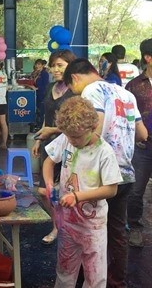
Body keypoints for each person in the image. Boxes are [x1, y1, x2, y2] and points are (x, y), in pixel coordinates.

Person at [62, 58, 148, 287]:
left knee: (85, 229)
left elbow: (93, 131)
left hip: (98, 174)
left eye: (72, 89)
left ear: (75, 78)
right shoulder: (126, 94)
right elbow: (142, 134)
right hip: (125, 174)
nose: (75, 94)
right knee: (117, 233)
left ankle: (84, 280)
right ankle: (116, 282)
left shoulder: (90, 90)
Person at [43, 96, 123, 288]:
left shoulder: (104, 152)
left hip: (92, 225)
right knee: (64, 270)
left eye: (77, 137)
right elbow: (48, 162)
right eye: (69, 136)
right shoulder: (67, 138)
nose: (73, 141)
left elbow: (111, 189)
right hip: (68, 221)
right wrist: (48, 184)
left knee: (94, 275)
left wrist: (78, 196)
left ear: (92, 127)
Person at [32, 49, 76, 245]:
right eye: (53, 65)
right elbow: (46, 118)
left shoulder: (75, 90)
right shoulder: (50, 88)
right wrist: (39, 139)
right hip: (49, 145)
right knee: (44, 191)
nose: (55, 69)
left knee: (66, 190)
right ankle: (58, 224)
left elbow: (76, 124)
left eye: (60, 65)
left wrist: (53, 130)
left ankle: (64, 227)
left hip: (69, 145)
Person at [126, 38, 152, 247]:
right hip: (142, 148)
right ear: (148, 58)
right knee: (135, 191)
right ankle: (135, 227)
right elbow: (126, 118)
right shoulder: (133, 86)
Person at [30, 58, 49, 130]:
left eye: (39, 64)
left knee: (41, 112)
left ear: (42, 65)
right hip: (36, 95)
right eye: (36, 64)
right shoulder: (36, 73)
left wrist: (37, 88)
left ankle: (41, 127)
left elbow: (45, 85)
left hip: (42, 95)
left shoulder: (44, 73)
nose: (37, 66)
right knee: (37, 111)